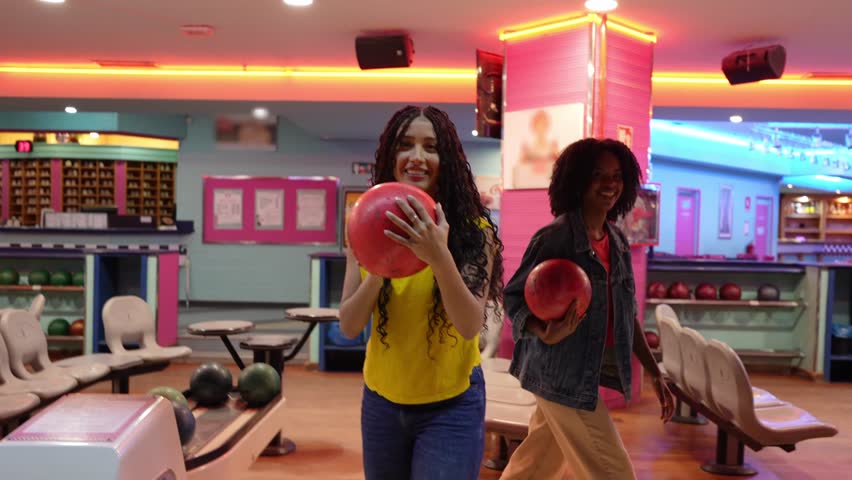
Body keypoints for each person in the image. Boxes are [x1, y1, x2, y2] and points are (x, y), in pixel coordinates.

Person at [338, 105, 504, 480]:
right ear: (390, 156)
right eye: (405, 145)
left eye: (431, 147)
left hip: (451, 407)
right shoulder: (364, 226)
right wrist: (382, 264)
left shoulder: (473, 234)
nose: (417, 157)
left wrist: (439, 256)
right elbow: (348, 325)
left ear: (447, 160)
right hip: (381, 403)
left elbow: (468, 325)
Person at [500, 138, 675, 480]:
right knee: (613, 472)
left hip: (581, 374)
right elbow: (514, 297)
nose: (609, 183)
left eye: (617, 175)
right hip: (559, 374)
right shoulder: (556, 237)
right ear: (578, 180)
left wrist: (654, 372)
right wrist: (543, 330)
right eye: (598, 174)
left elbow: (626, 315)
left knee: (534, 468)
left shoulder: (617, 241)